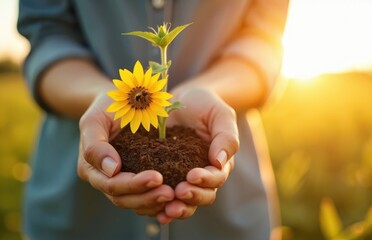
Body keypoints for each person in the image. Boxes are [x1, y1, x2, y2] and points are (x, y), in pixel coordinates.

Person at [18, 0, 289, 239]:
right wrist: (102, 98)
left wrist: (211, 91)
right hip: (77, 213)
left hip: (228, 216)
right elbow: (47, 35)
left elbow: (264, 40)